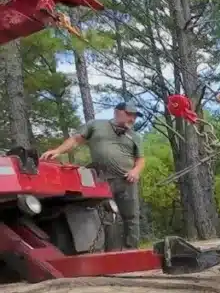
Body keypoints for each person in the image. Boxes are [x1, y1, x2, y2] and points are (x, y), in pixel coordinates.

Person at [41, 101, 145, 250]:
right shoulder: (96, 125)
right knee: (105, 216)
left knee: (131, 217)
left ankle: (132, 250)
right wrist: (58, 151)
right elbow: (76, 140)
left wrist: (135, 171)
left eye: (135, 116)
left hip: (126, 181)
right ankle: (107, 252)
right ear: (117, 112)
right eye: (129, 114)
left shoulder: (135, 136)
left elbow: (140, 159)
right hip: (101, 179)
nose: (132, 119)